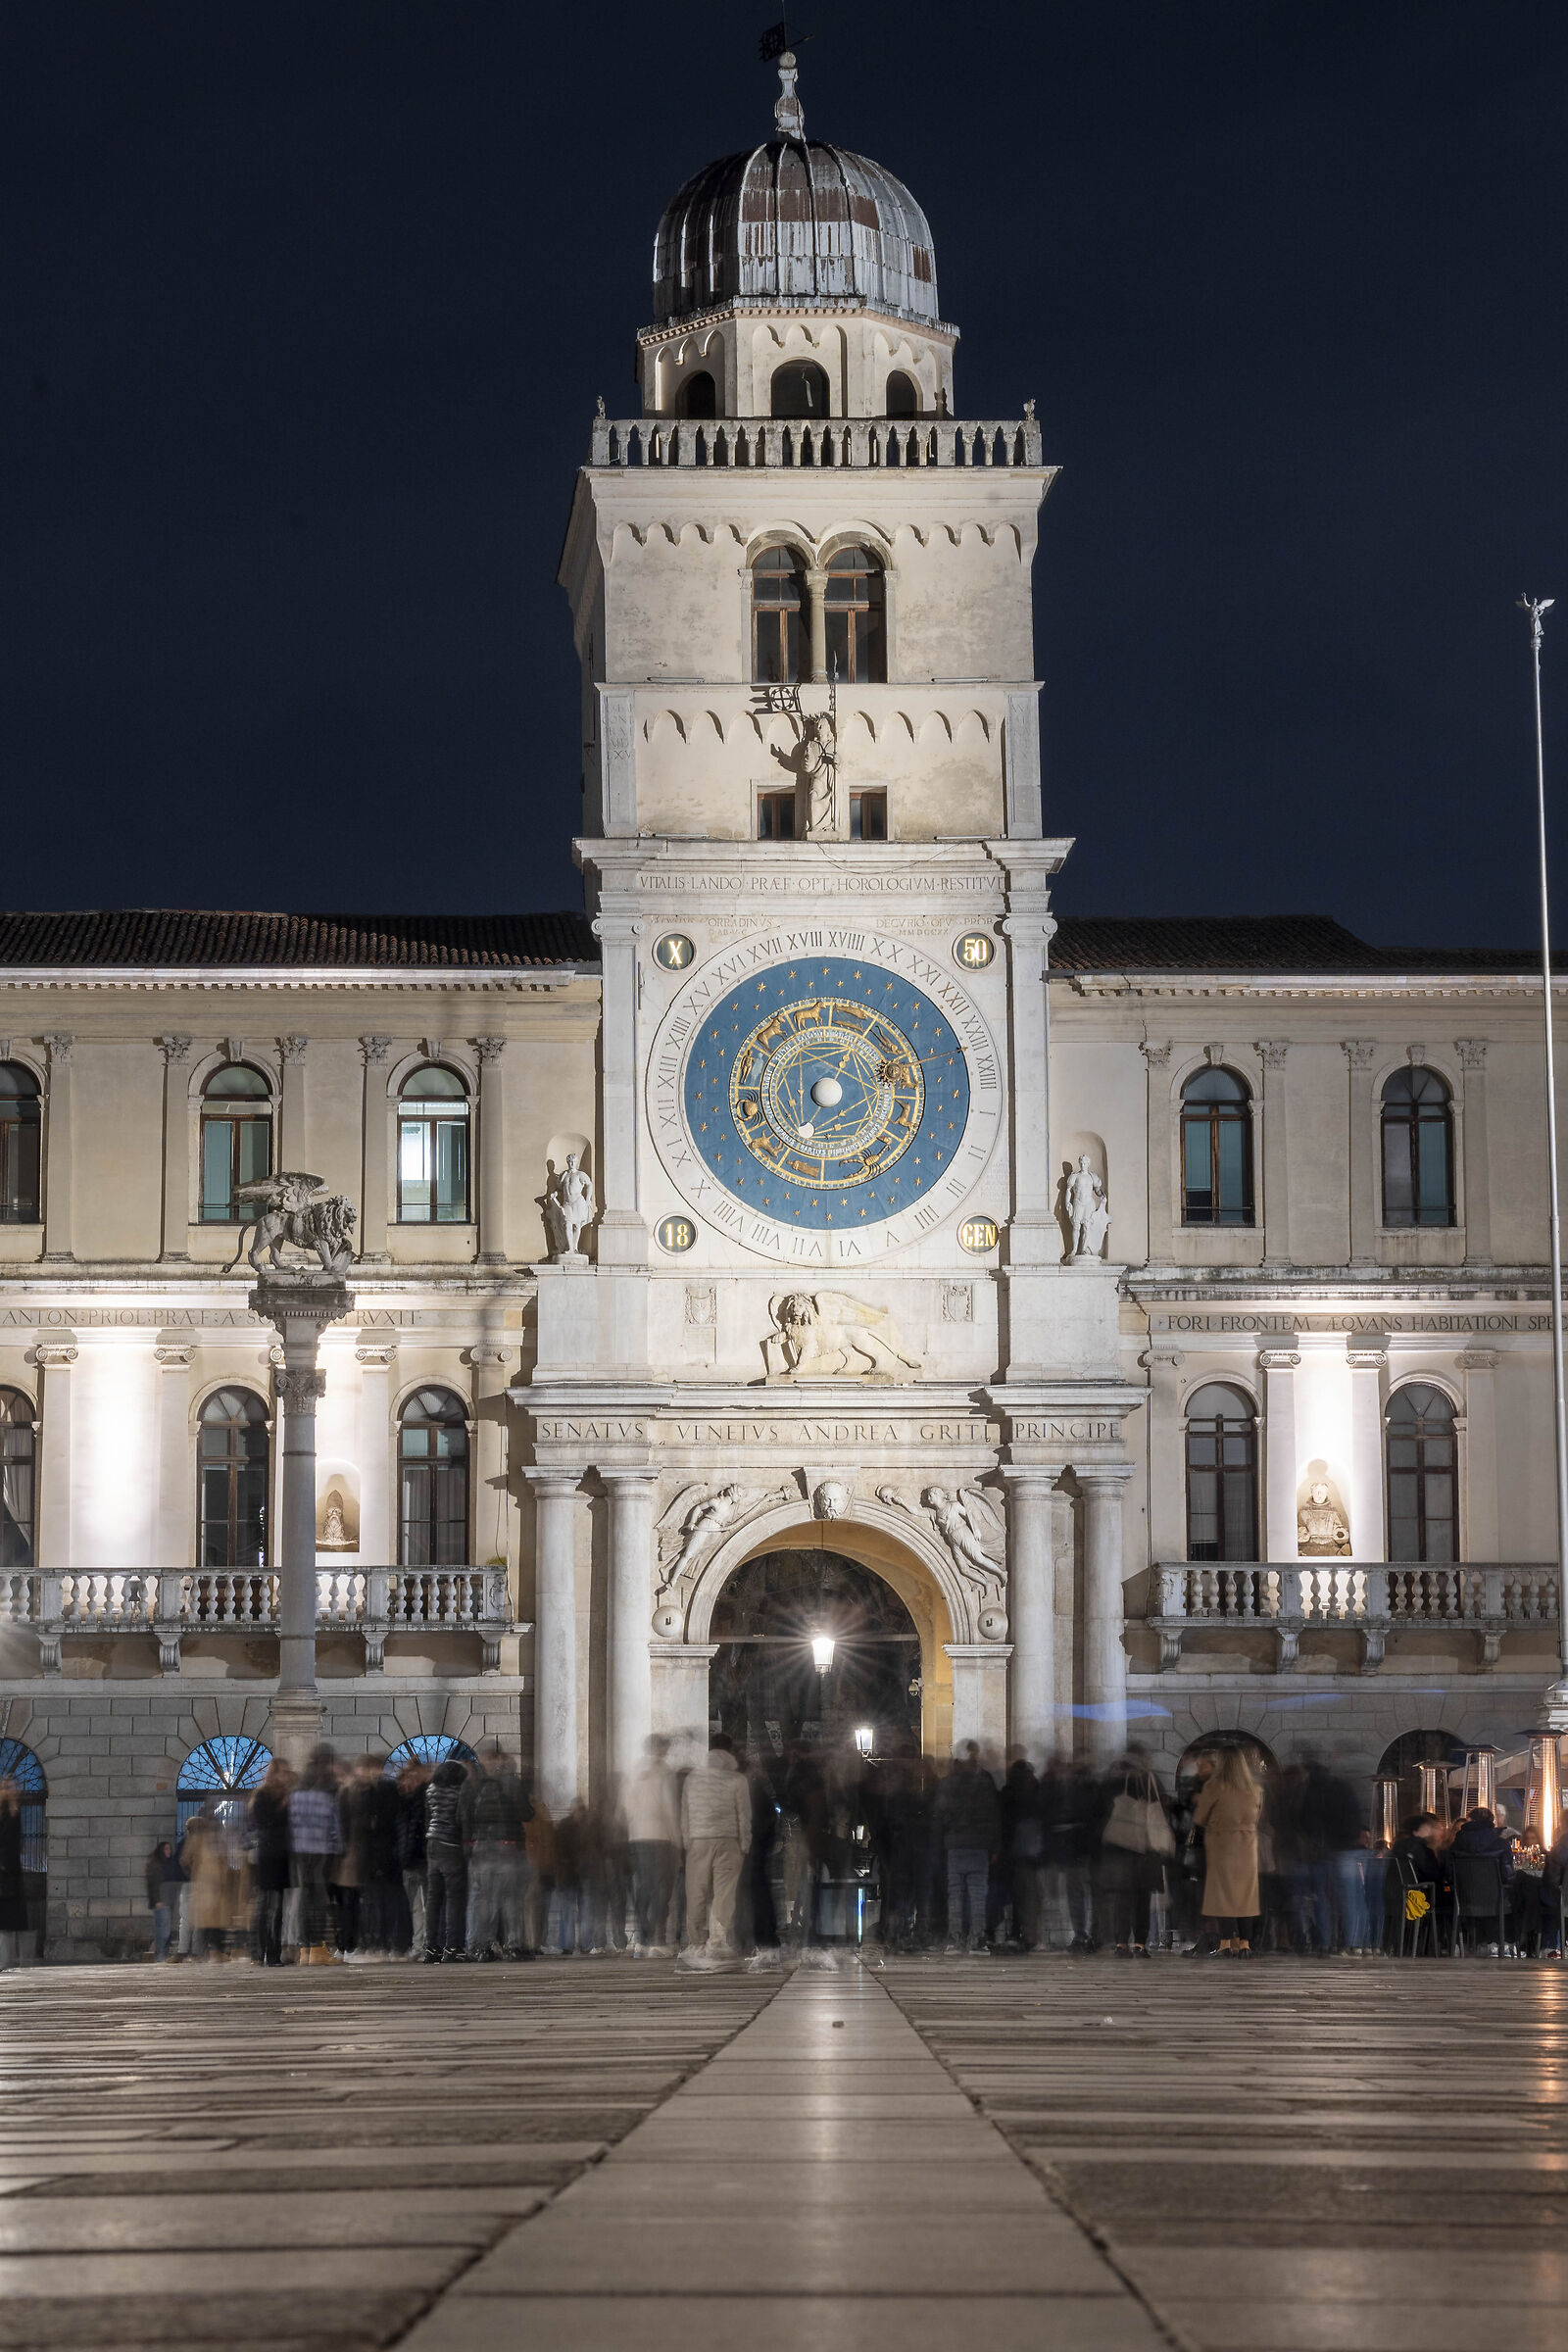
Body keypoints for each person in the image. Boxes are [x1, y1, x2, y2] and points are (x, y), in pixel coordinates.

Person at [680, 1733, 752, 1963]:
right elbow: (744, 1815)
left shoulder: (693, 1778)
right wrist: (745, 1843)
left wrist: (686, 1841)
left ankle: (696, 1943)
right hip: (728, 1840)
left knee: (696, 1891)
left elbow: (685, 1813)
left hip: (698, 1840)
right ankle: (718, 1942)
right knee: (725, 1893)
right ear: (730, 1752)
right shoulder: (737, 1780)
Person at [462, 1743, 534, 1959]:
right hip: (508, 1845)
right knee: (511, 1897)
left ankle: (480, 1946)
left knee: (483, 1898)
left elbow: (463, 1817)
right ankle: (513, 1945)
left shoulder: (472, 1784)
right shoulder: (511, 1781)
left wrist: (469, 1843)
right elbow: (525, 1813)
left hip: (481, 1846)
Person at [1096, 1750, 1171, 1956]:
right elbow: (1162, 1810)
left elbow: (1103, 1811)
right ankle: (1140, 1943)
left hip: (1124, 1849)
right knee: (1142, 1899)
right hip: (1147, 1850)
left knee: (1124, 1898)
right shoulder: (1150, 1780)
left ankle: (1121, 1943)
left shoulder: (1117, 1782)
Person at [1194, 1745, 1263, 1954]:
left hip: (1222, 1845)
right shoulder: (1255, 1789)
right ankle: (1245, 1945)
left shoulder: (1214, 1787)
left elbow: (1200, 1817)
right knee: (1246, 1896)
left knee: (1223, 1895)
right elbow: (1259, 1818)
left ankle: (1224, 1944)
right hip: (1248, 1847)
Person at [934, 1741, 1000, 1955]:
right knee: (978, 1895)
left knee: (955, 1895)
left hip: (955, 1845)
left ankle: (955, 1939)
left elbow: (940, 1816)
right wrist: (994, 1846)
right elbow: (994, 1817)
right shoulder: (984, 1782)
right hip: (979, 1846)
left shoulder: (947, 1784)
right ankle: (977, 1939)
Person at [624, 1735, 680, 1956]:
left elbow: (627, 1804)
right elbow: (670, 1807)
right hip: (660, 1837)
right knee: (661, 1889)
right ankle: (657, 1939)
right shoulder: (665, 1772)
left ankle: (641, 1940)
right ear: (663, 1749)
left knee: (644, 1889)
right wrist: (677, 1839)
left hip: (638, 1837)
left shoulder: (636, 1770)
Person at [289, 1746, 343, 1965]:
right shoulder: (326, 1790)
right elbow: (333, 1825)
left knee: (304, 1900)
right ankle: (318, 1948)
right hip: (320, 1851)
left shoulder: (297, 1791)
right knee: (319, 1900)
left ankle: (305, 1950)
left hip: (299, 1851)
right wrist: (338, 1849)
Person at [249, 1758, 294, 1967]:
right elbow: (263, 1823)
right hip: (268, 1855)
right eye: (282, 1772)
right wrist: (282, 1807)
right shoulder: (262, 1796)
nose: (285, 1776)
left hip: (283, 1855)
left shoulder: (287, 1796)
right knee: (266, 1906)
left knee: (279, 1909)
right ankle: (260, 1951)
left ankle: (274, 1954)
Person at [422, 1758, 468, 1961]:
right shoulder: (458, 1792)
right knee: (454, 1899)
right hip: (451, 1846)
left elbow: (427, 1817)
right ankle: (452, 1947)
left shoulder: (430, 1790)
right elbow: (461, 1820)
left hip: (432, 1845)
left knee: (434, 1899)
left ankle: (431, 1947)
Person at [0, 1780, 27, 1972]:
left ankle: (9, 1959)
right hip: (6, 1872)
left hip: (8, 1874)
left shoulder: (13, 1813)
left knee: (9, 1920)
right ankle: (8, 1959)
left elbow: (13, 1843)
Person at [145, 1838, 180, 1963]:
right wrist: (157, 1900)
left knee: (164, 1930)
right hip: (161, 1901)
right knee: (163, 1931)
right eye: (166, 1849)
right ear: (160, 1850)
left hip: (168, 1901)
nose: (169, 1851)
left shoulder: (169, 1864)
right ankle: (160, 1956)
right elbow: (153, 1884)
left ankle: (162, 1955)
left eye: (170, 1848)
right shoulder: (155, 1865)